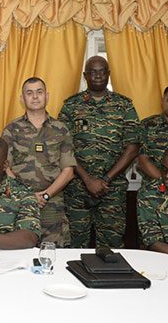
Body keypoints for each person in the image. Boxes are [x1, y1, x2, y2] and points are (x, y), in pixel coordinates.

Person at [59, 56, 140, 248]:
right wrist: (88, 180)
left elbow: (133, 147)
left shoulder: (124, 105)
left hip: (112, 190)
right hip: (77, 189)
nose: (98, 76)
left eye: (102, 71)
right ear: (85, 75)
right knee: (75, 246)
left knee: (111, 246)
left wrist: (105, 180)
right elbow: (64, 147)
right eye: (93, 72)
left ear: (108, 74)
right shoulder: (71, 105)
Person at [2, 77, 76, 247]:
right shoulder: (11, 129)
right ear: (22, 99)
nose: (35, 97)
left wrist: (45, 195)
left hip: (52, 206)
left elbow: (68, 171)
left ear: (47, 96)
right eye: (29, 93)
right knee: (20, 257)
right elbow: (4, 168)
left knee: (54, 258)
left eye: (39, 92)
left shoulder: (61, 129)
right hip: (19, 204)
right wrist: (27, 196)